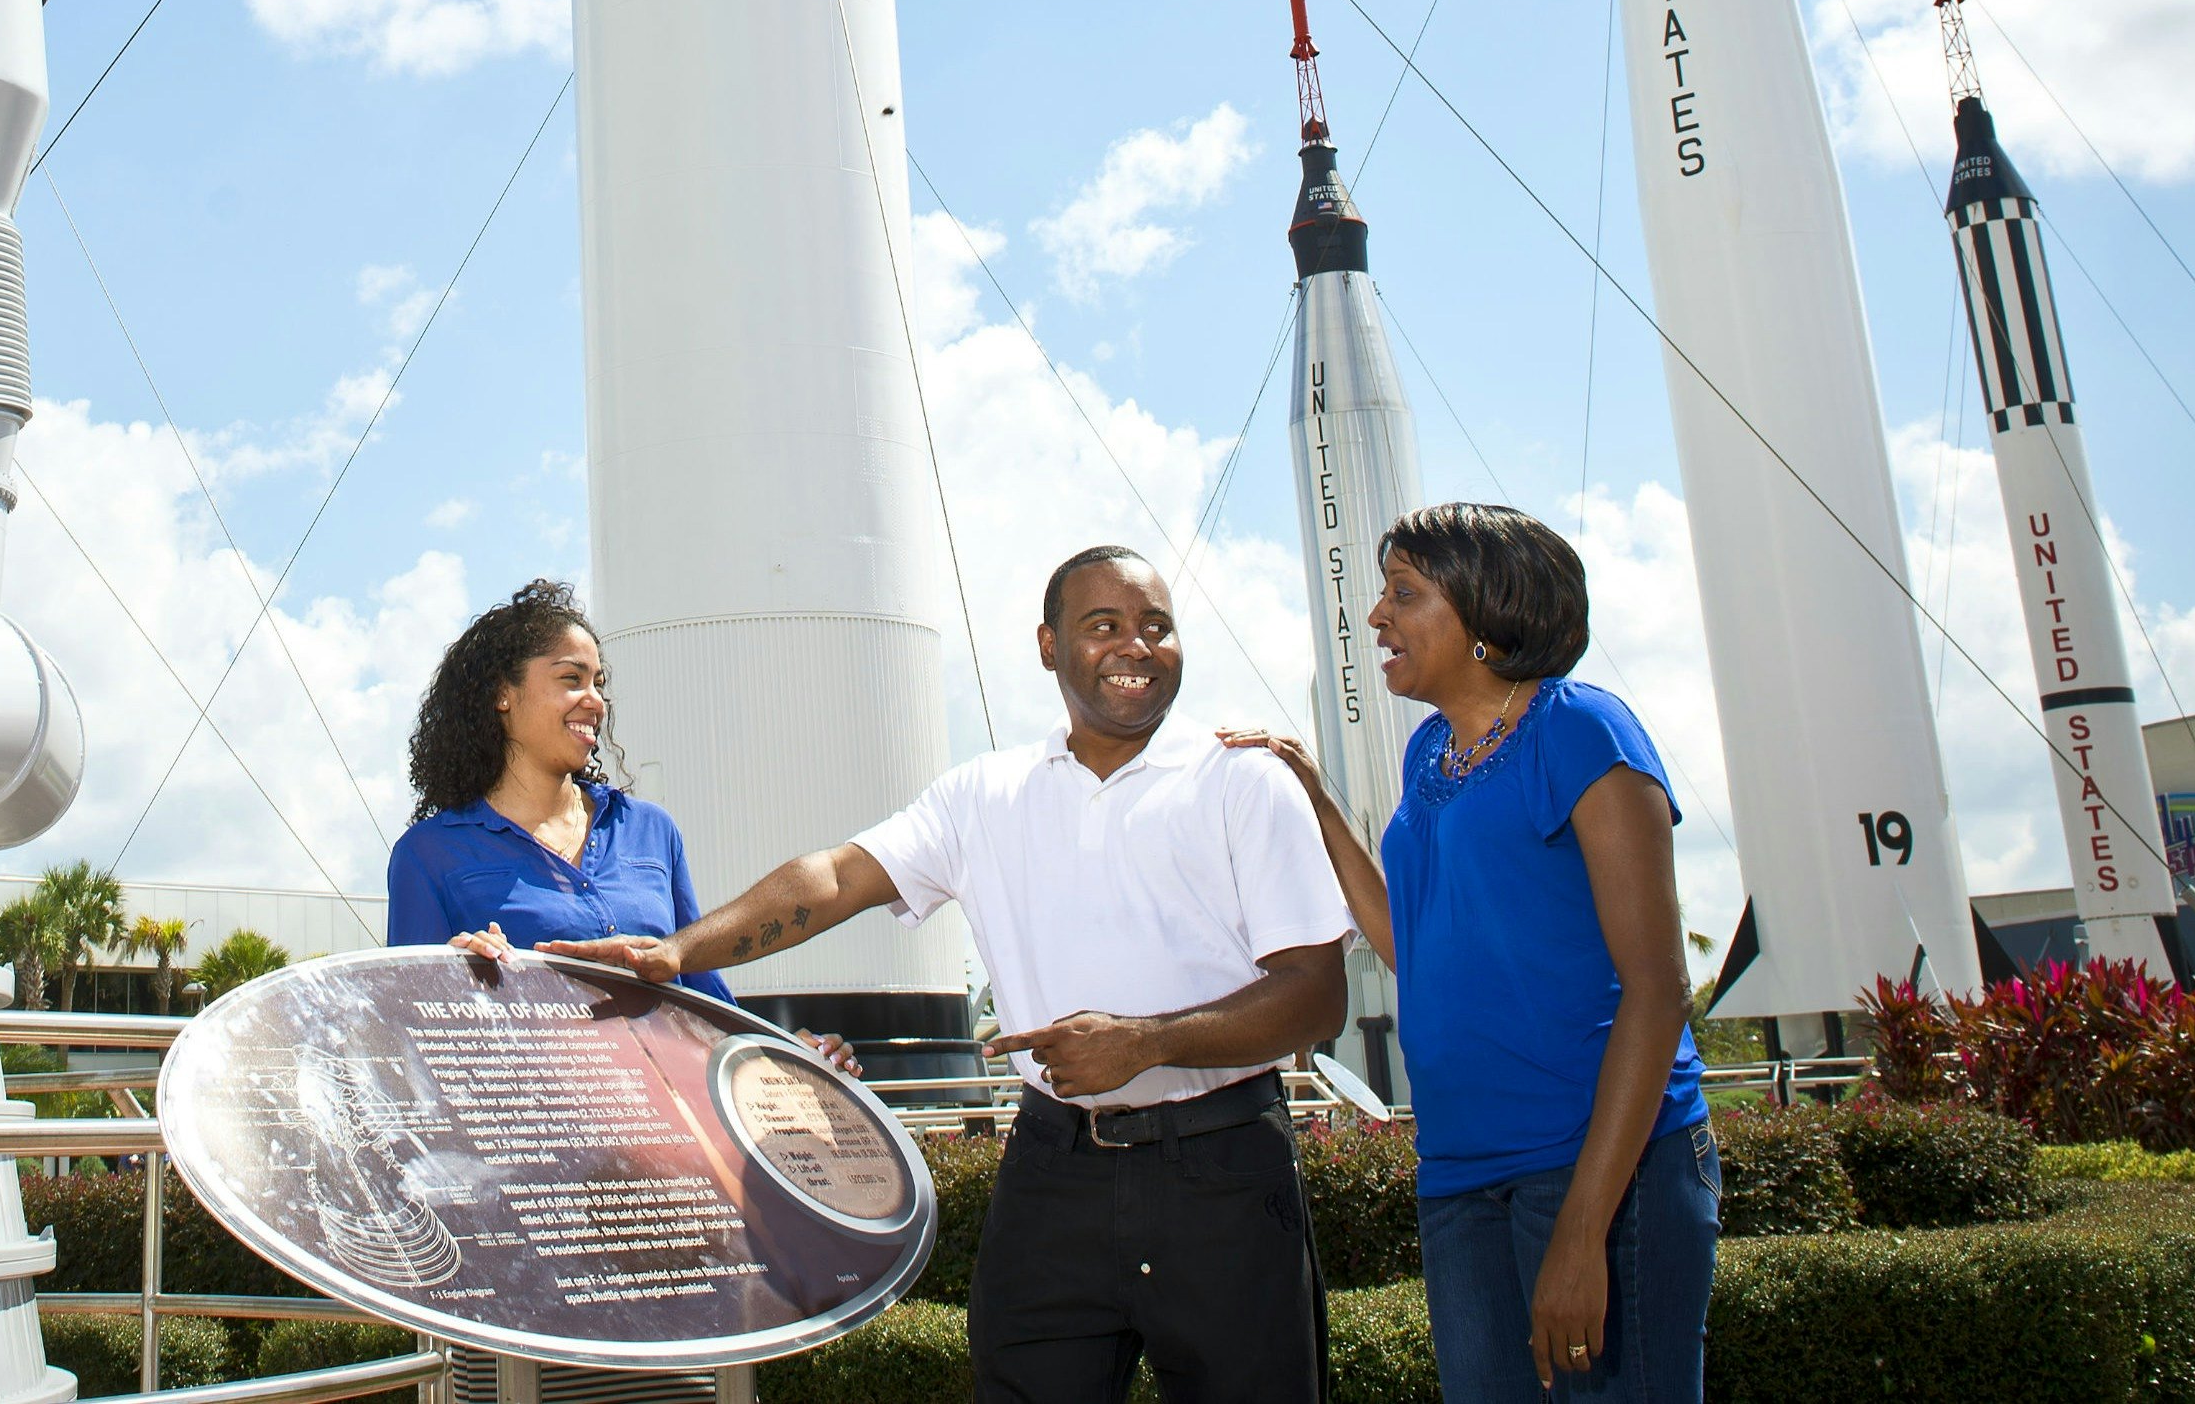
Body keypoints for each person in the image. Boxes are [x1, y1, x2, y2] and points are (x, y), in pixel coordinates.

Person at [551, 547, 1353, 1404]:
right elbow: (835, 877)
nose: (1137, 646)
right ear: (1048, 646)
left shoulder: (1244, 780)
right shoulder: (985, 793)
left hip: (1223, 1170)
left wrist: (1145, 1042)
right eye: (1104, 625)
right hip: (1055, 1172)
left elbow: (1316, 993)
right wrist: (678, 951)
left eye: (1157, 626)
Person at [1230, 503, 1714, 1404]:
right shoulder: (1429, 755)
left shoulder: (1581, 732)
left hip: (1601, 1171)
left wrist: (1582, 1229)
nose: (1376, 616)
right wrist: (1313, 794)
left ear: (1487, 614)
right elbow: (1407, 946)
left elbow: (1659, 990)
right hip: (1461, 1175)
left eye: (1404, 594)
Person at [383, 578, 735, 1003]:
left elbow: (708, 1003)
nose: (595, 701)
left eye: (598, 683)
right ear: (501, 694)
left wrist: (782, 1055)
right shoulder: (427, 854)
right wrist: (453, 981)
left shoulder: (651, 829)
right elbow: (412, 1023)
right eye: (572, 678)